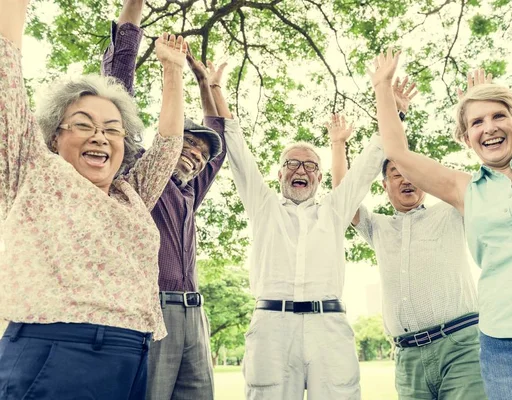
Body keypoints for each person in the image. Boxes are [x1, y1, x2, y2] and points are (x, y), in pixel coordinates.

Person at [368, 0, 512, 396]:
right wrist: (381, 89)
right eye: (476, 122)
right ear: (466, 136)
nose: (489, 128)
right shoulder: (463, 190)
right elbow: (399, 152)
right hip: (507, 351)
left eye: (498, 116)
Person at [0, 0, 187, 397]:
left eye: (112, 129)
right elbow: (6, 74)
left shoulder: (129, 196)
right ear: (54, 137)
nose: (100, 136)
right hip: (57, 352)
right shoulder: (34, 171)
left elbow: (169, 146)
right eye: (83, 125)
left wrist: (172, 70)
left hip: (132, 355)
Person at [101, 1, 231, 399]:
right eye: (189, 143)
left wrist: (209, 85)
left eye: (201, 153)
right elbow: (118, 85)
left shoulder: (190, 191)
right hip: (151, 308)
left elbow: (220, 143)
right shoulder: (137, 176)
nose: (197, 153)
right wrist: (133, 15)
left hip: (195, 314)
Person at [329, 76, 485, 400]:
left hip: (461, 347)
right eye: (394, 175)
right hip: (407, 358)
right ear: (384, 187)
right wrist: (338, 145)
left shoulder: (451, 210)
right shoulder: (378, 228)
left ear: (425, 180)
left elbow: (484, 179)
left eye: (410, 173)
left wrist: (476, 105)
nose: (404, 179)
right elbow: (343, 197)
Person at [223, 105, 384, 398]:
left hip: (329, 329)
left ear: (320, 178)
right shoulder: (264, 206)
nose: (301, 170)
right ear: (280, 173)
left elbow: (367, 167)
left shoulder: (334, 210)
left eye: (310, 166)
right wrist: (215, 90)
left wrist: (393, 111)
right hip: (272, 328)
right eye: (293, 163)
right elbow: (239, 154)